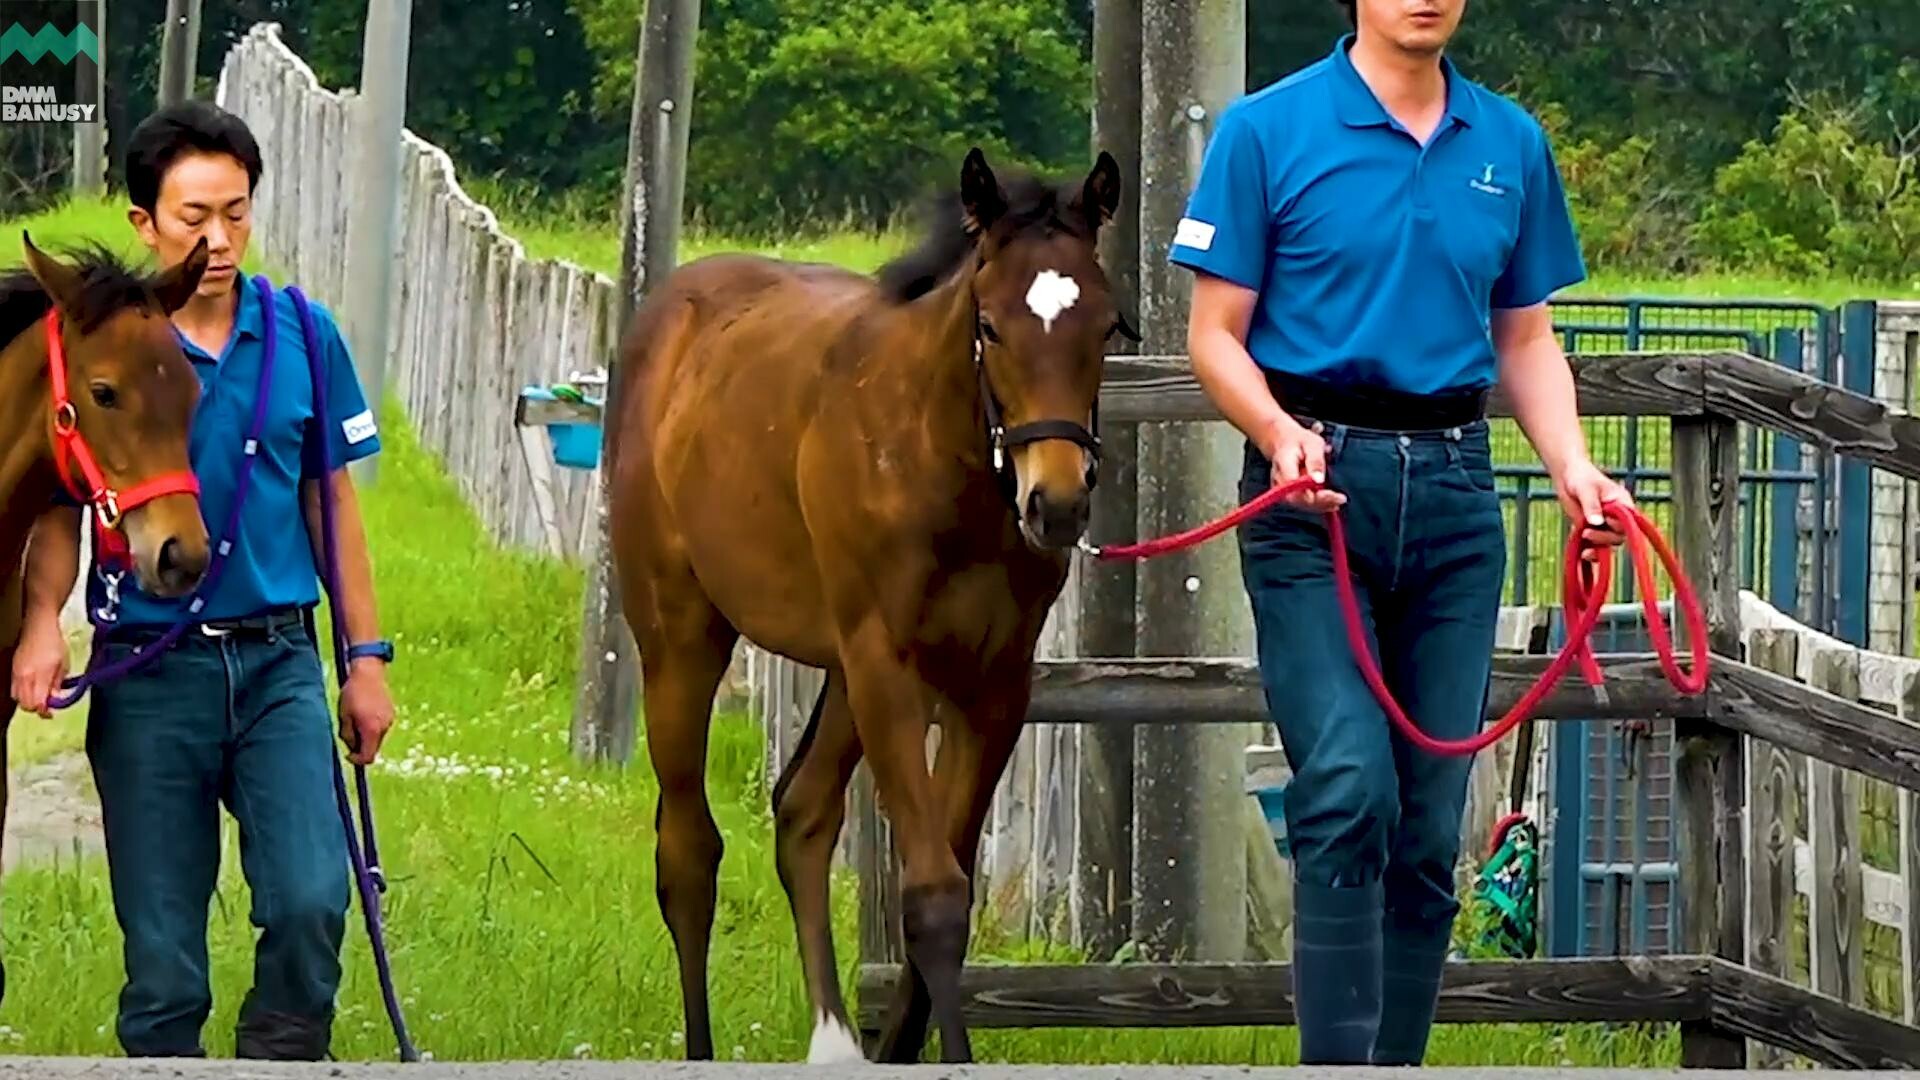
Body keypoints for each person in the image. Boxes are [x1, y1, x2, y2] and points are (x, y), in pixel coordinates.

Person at [1169, 0, 1631, 1065]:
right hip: (1310, 496)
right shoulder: (1265, 131)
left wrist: (1571, 467)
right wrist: (1279, 432)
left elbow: (1524, 336)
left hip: (1459, 498)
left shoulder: (1509, 142)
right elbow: (1213, 337)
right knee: (1346, 786)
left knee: (1427, 830)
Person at [9, 100, 396, 1061]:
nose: (218, 238)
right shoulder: (115, 349)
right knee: (166, 965)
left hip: (277, 664)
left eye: (236, 211)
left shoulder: (303, 335)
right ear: (146, 224)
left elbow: (332, 505)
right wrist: (42, 622)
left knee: (312, 901)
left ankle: (282, 1054)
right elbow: (60, 499)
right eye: (194, 216)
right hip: (150, 672)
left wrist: (367, 658)